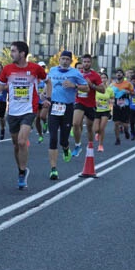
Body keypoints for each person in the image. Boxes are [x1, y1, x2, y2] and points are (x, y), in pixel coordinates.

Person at [0, 41, 47, 189]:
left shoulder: (35, 68)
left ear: (22, 53)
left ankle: (22, 172)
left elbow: (48, 82)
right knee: (15, 145)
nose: (11, 54)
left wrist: (47, 98)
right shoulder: (7, 69)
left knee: (21, 141)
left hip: (29, 110)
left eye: (13, 51)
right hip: (12, 111)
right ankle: (21, 169)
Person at [44, 50, 88, 180]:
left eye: (67, 59)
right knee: (52, 138)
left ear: (70, 61)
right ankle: (53, 169)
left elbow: (86, 88)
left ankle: (66, 147)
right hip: (54, 106)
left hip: (67, 107)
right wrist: (45, 95)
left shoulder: (75, 73)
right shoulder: (52, 70)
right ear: (59, 59)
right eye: (62, 58)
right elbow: (48, 84)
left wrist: (74, 85)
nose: (64, 61)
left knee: (63, 138)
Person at [70, 54, 104, 157]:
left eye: (88, 62)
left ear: (91, 63)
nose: (86, 64)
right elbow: (72, 86)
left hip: (90, 104)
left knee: (89, 128)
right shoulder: (77, 74)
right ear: (82, 62)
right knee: (75, 123)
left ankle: (90, 145)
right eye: (84, 62)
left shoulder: (95, 75)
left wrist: (92, 85)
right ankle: (77, 145)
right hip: (79, 101)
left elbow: (102, 90)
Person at [110, 69, 134, 146]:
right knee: (116, 123)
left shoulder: (128, 84)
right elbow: (109, 94)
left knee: (125, 124)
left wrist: (129, 92)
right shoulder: (112, 85)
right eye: (117, 73)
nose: (119, 74)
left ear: (123, 75)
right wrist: (111, 100)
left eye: (120, 73)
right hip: (116, 106)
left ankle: (126, 131)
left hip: (125, 106)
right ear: (116, 75)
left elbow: (133, 93)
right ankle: (117, 139)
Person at [93, 72, 113, 151]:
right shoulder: (97, 88)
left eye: (105, 78)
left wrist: (110, 101)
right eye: (102, 78)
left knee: (102, 128)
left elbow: (112, 98)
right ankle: (97, 133)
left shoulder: (109, 89)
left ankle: (100, 145)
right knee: (96, 129)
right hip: (97, 109)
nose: (103, 79)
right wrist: (95, 102)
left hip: (106, 110)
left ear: (107, 79)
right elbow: (92, 97)